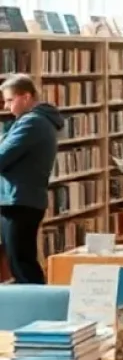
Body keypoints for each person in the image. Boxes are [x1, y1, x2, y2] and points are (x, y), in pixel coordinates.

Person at [0, 74, 63, 284]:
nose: (7, 107)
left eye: (10, 100)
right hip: (20, 199)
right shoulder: (32, 121)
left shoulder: (32, 123)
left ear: (26, 97)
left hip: (20, 200)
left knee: (22, 264)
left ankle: (38, 308)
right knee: (20, 260)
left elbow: (2, 157)